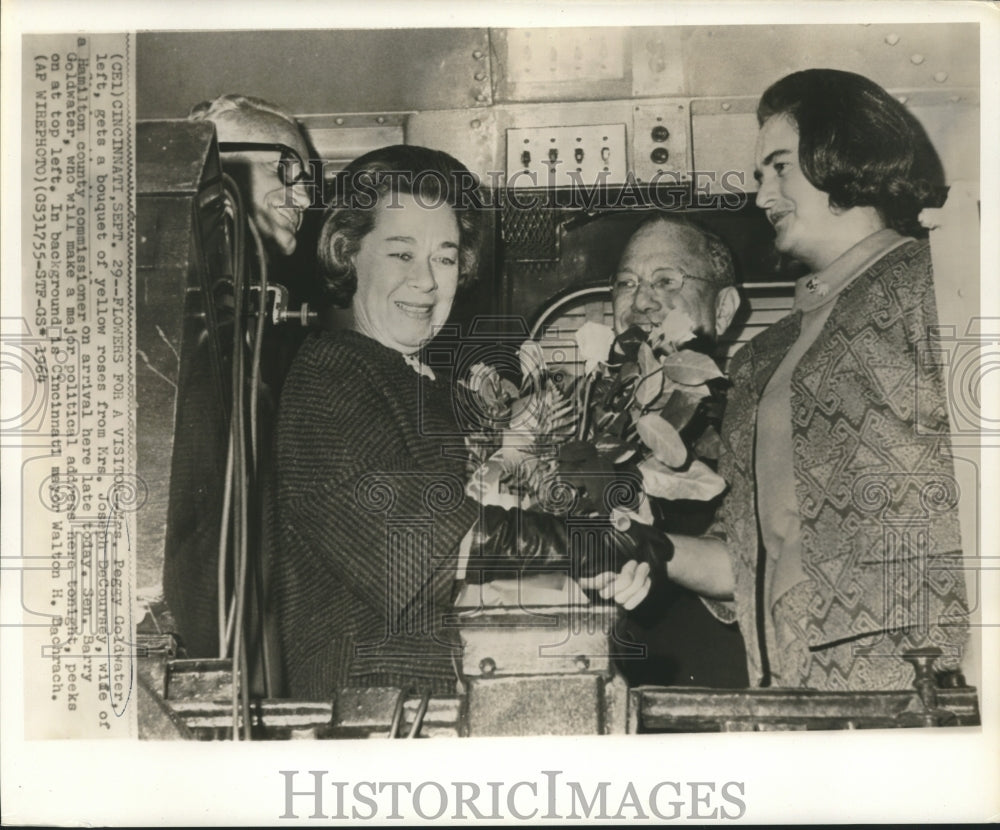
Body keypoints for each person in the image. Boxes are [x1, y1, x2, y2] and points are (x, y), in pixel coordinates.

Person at [602, 69, 969, 691]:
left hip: (927, 674)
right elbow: (739, 559)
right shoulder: (760, 360)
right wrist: (634, 540)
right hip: (789, 682)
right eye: (758, 176)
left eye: (779, 168)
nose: (762, 197)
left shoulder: (940, 284)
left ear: (842, 155)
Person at [273, 145, 672, 700]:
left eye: (444, 257)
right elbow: (426, 542)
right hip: (370, 716)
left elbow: (485, 558)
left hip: (430, 705)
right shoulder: (332, 373)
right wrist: (592, 544)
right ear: (348, 253)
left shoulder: (425, 386)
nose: (427, 282)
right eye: (400, 254)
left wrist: (603, 567)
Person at [604, 214, 750, 688]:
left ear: (723, 309)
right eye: (626, 283)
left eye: (666, 280)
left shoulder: (754, 417)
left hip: (715, 703)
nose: (641, 299)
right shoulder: (581, 417)